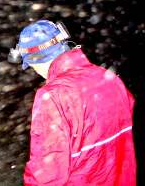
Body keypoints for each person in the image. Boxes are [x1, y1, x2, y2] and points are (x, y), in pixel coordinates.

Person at [9, 20, 136, 185]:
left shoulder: (52, 95)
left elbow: (47, 170)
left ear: (35, 61)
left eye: (32, 66)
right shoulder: (108, 78)